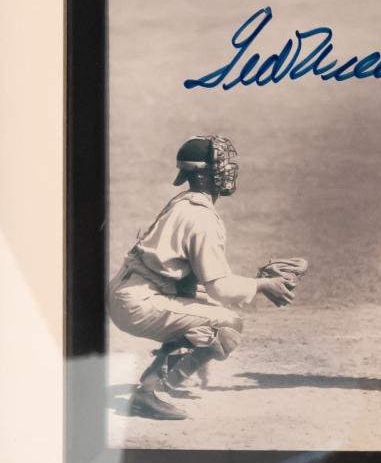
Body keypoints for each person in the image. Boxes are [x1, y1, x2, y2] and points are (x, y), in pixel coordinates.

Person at [108, 134, 296, 420]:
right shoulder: (201, 218)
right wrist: (262, 284)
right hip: (139, 302)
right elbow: (220, 288)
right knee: (227, 325)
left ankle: (164, 376)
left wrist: (251, 284)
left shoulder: (183, 201)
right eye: (222, 165)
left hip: (134, 291)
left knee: (207, 311)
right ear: (206, 174)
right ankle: (146, 392)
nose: (228, 170)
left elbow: (189, 281)